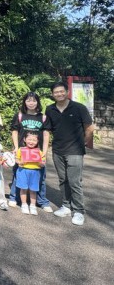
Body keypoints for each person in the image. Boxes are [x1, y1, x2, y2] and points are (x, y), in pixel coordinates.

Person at [45, 81, 94, 226]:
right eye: (56, 92)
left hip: (75, 151)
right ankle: (66, 206)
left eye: (61, 91)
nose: (59, 94)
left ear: (67, 92)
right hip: (58, 150)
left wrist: (84, 142)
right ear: (52, 94)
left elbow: (90, 128)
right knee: (63, 179)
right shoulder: (50, 109)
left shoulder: (79, 108)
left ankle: (79, 211)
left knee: (74, 181)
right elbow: (47, 129)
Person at [9, 92, 52, 212]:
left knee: (40, 177)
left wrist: (45, 151)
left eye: (33, 100)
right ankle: (14, 197)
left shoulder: (43, 117)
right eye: (28, 100)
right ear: (24, 102)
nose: (31, 103)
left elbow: (46, 133)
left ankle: (41, 201)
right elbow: (14, 131)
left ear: (38, 102)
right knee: (18, 174)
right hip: (22, 151)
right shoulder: (19, 116)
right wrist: (16, 147)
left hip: (37, 152)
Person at [15, 132, 44, 215]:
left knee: (33, 190)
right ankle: (24, 204)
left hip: (35, 172)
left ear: (38, 141)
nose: (31, 142)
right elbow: (16, 159)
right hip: (23, 171)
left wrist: (41, 163)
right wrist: (20, 162)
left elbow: (43, 162)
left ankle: (32, 206)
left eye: (34, 140)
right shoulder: (21, 149)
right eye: (29, 139)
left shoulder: (39, 151)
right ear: (24, 139)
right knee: (23, 188)